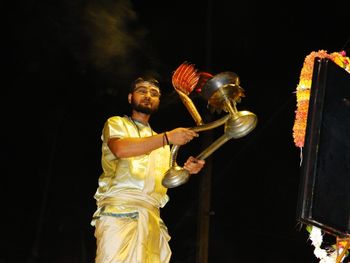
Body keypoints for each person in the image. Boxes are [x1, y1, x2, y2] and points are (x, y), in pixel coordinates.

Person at [91, 76, 205, 263]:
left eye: (154, 94)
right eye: (142, 91)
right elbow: (121, 149)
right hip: (120, 213)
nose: (148, 96)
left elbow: (165, 179)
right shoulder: (117, 123)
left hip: (152, 219)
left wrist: (186, 170)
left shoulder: (163, 143)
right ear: (130, 98)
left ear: (159, 101)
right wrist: (168, 137)